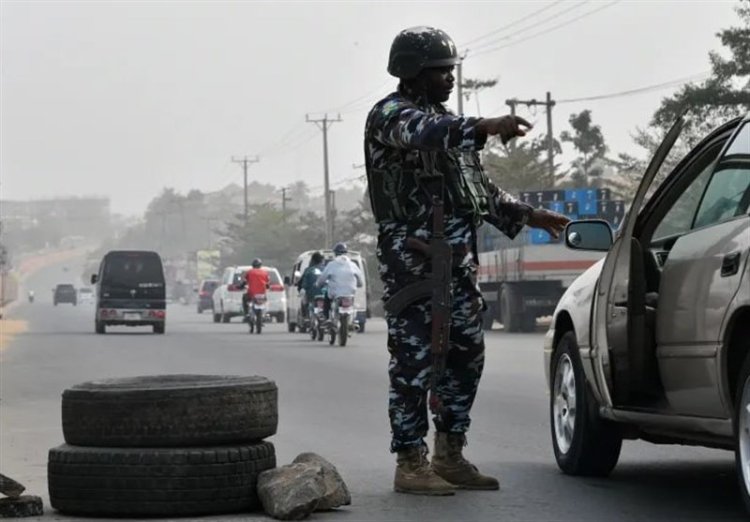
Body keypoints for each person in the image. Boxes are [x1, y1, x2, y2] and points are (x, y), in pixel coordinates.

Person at [365, 26, 570, 496]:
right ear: (413, 73)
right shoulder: (392, 116)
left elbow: (478, 191)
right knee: (415, 360)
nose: (448, 79)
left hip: (457, 263)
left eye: (450, 71)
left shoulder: (446, 121)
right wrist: (483, 126)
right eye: (439, 71)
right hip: (413, 260)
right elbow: (427, 133)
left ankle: (450, 453)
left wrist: (530, 214)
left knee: (465, 356)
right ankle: (410, 460)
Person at [315, 243, 363, 320]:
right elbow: (360, 281)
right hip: (350, 293)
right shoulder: (353, 265)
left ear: (335, 253)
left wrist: (318, 284)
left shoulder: (331, 264)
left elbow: (322, 278)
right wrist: (357, 284)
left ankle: (325, 316)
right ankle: (353, 319)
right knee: (352, 303)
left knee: (327, 296)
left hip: (335, 293)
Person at [296, 251, 325, 320]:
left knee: (304, 301)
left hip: (311, 295)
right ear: (322, 260)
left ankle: (306, 317)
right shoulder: (326, 269)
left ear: (313, 260)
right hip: (325, 294)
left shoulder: (308, 270)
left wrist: (300, 289)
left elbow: (302, 284)